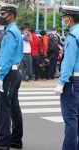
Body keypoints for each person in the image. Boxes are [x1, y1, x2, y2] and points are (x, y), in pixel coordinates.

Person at [0, 4, 23, 150]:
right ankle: (16, 140)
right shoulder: (15, 31)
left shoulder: (10, 33)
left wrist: (1, 77)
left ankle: (4, 143)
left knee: (4, 108)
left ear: (12, 15)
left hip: (8, 74)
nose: (1, 17)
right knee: (14, 107)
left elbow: (7, 57)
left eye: (4, 15)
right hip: (14, 73)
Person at [54, 5, 79, 150]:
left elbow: (69, 61)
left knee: (71, 118)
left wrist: (61, 82)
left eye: (64, 18)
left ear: (69, 18)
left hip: (72, 80)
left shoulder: (73, 35)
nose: (64, 20)